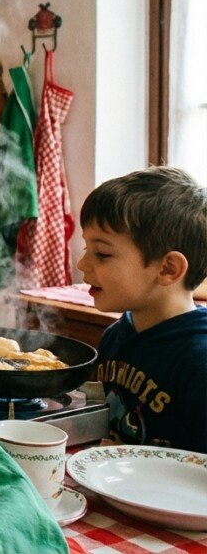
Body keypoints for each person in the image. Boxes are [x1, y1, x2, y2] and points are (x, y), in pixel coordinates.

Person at [77, 167, 207, 452]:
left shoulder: (198, 359)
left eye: (102, 253)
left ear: (168, 269)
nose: (82, 265)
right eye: (86, 248)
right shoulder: (115, 336)